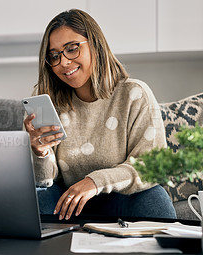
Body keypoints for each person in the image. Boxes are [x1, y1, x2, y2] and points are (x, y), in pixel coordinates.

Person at [24, 9, 176, 221]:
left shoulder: (134, 94)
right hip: (68, 202)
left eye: (72, 49)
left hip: (122, 198)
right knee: (38, 199)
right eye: (55, 56)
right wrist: (40, 153)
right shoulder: (47, 98)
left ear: (95, 45)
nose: (64, 62)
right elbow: (46, 180)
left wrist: (95, 182)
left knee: (153, 198)